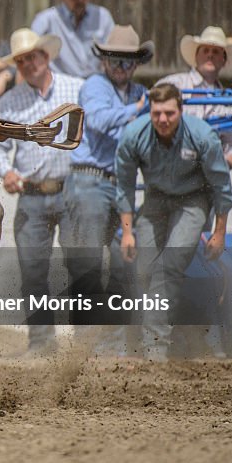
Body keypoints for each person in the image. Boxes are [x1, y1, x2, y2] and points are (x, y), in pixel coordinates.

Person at [116, 83, 232, 361]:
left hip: (193, 202)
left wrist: (219, 233)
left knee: (168, 267)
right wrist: (127, 233)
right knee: (145, 269)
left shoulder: (202, 136)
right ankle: (182, 337)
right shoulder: (134, 135)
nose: (163, 120)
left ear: (180, 110)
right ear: (150, 111)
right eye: (157, 113)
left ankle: (155, 352)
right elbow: (123, 186)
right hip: (155, 200)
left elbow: (221, 188)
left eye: (169, 113)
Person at [0, 28, 84, 356]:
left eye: (33, 56)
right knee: (32, 271)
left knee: (80, 264)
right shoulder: (9, 103)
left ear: (46, 56)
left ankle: (83, 343)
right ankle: (41, 342)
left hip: (72, 189)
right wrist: (7, 171)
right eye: (22, 60)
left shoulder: (77, 89)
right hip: (32, 193)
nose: (29, 64)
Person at [61, 25, 151, 350]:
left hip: (120, 186)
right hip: (90, 180)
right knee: (87, 264)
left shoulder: (139, 93)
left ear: (136, 64)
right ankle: (84, 347)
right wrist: (140, 112)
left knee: (123, 263)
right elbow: (98, 120)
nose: (121, 67)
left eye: (127, 61)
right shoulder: (95, 86)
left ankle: (112, 347)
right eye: (115, 60)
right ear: (104, 61)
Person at [157, 26, 232, 169]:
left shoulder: (228, 100)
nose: (210, 55)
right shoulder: (172, 84)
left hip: (210, 171)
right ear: (196, 56)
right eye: (205, 50)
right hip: (172, 165)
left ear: (223, 59)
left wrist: (231, 158)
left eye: (216, 51)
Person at [30, 0, 115, 79]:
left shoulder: (102, 16)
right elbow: (29, 50)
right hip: (60, 83)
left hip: (95, 81)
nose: (80, 0)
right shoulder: (46, 20)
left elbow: (114, 52)